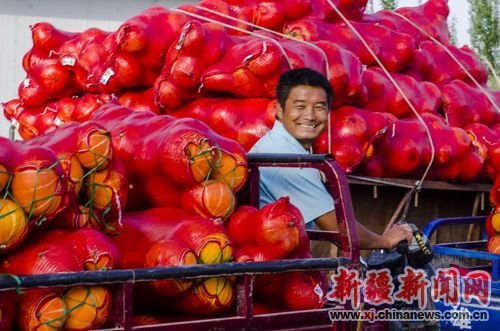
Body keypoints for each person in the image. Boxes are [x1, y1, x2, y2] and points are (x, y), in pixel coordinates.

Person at [249, 68, 413, 250]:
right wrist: (385, 241)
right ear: (279, 110)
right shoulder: (283, 155)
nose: (310, 116)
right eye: (300, 107)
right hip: (270, 268)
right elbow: (338, 228)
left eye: (319, 107)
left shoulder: (283, 147)